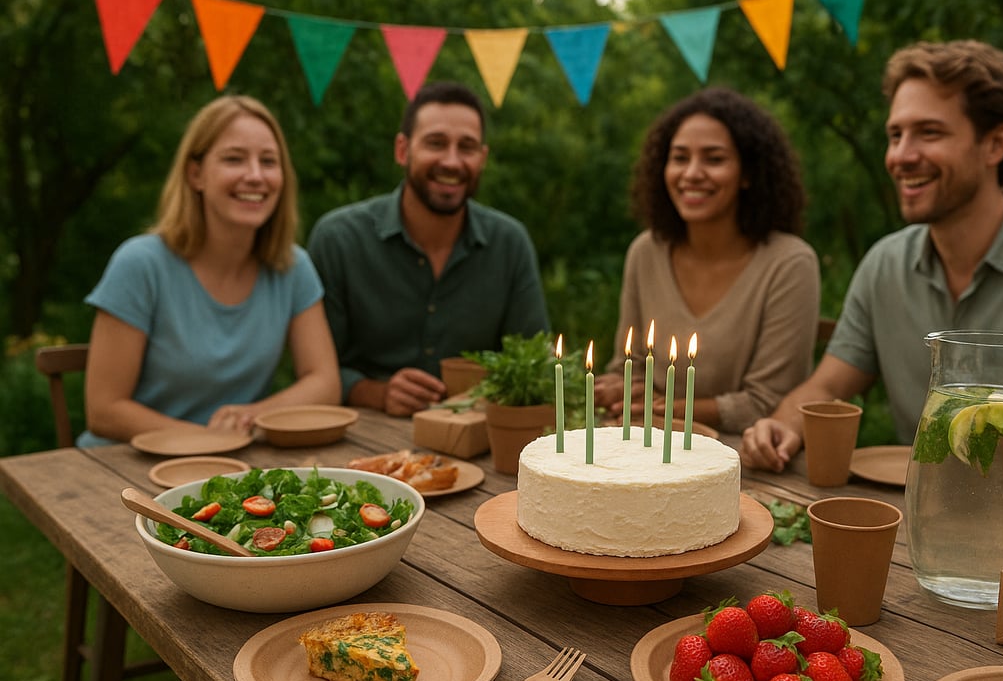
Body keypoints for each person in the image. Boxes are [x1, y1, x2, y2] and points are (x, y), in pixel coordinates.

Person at [741, 40, 1003, 491]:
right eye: (895, 134)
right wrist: (782, 425)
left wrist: (957, 477)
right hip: (921, 522)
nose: (900, 156)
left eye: (929, 133)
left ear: (996, 143)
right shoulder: (885, 263)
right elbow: (823, 389)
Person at [80, 95, 340, 446]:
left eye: (268, 161)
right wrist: (209, 440)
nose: (255, 175)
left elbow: (324, 382)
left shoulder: (292, 267)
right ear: (196, 174)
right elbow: (104, 410)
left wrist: (248, 418)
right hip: (122, 473)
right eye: (234, 159)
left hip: (230, 470)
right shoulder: (140, 264)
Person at [307, 81, 550, 416]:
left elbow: (534, 365)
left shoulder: (510, 243)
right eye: (436, 143)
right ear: (402, 150)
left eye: (466, 147)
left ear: (482, 159)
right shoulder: (338, 239)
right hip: (359, 435)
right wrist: (378, 393)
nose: (451, 161)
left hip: (475, 436)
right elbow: (314, 372)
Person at [593, 88, 820, 433]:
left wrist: (662, 406)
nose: (692, 173)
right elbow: (632, 367)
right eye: (680, 158)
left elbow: (767, 402)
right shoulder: (646, 252)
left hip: (748, 461)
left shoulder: (790, 264)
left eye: (714, 159)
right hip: (649, 450)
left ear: (748, 174)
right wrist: (616, 387)